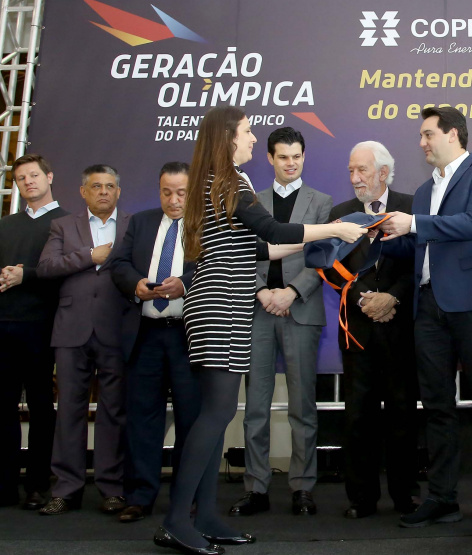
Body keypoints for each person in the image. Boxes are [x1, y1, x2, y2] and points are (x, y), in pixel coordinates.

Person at [154, 106, 365, 555]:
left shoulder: (214, 182)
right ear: (227, 137)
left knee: (219, 412)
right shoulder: (230, 181)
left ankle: (206, 516)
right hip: (219, 309)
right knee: (214, 416)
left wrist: (329, 238)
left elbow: (261, 246)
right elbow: (270, 228)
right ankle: (177, 520)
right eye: (248, 132)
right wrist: (333, 227)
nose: (252, 139)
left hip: (220, 306)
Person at [379, 106, 472, 527]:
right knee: (435, 404)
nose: (422, 143)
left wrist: (414, 223)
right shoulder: (421, 191)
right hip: (428, 306)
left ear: (453, 135)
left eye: (427, 134)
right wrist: (374, 234)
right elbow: (417, 244)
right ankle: (442, 498)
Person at [229, 127, 331, 518]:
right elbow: (240, 249)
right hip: (256, 311)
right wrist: (261, 291)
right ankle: (256, 488)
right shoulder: (250, 200)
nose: (291, 163)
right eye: (283, 156)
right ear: (269, 159)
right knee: (255, 406)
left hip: (300, 311)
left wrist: (292, 291)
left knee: (303, 406)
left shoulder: (321, 203)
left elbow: (323, 252)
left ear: (304, 157)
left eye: (297, 156)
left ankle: (303, 487)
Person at [326, 140, 419, 519]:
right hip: (358, 330)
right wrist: (367, 299)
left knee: (402, 415)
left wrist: (393, 297)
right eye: (351, 170)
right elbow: (330, 268)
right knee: (358, 416)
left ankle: (405, 495)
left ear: (382, 172)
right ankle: (361, 498)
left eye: (361, 170)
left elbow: (422, 265)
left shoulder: (412, 209)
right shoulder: (339, 215)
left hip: (401, 331)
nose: (354, 178)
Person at [36, 164, 133, 516]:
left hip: (116, 328)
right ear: (83, 192)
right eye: (96, 186)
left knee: (113, 411)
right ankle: (66, 488)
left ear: (118, 192)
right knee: (69, 411)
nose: (103, 191)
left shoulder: (131, 226)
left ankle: (111, 488)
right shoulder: (63, 226)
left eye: (109, 186)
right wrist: (89, 257)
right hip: (71, 329)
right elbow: (47, 267)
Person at [108, 162, 199, 523]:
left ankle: (188, 497)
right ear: (158, 190)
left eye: (181, 192)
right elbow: (117, 264)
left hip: (187, 335)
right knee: (142, 418)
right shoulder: (141, 222)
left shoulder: (205, 224)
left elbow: (213, 265)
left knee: (192, 420)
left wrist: (185, 283)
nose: (174, 200)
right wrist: (136, 284)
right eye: (167, 192)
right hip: (145, 335)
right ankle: (140, 496)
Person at [0, 154, 68, 510]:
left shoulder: (67, 223)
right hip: (4, 327)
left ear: (49, 176)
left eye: (34, 175)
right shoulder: (6, 225)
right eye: (21, 177)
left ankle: (38, 485)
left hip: (44, 327)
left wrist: (25, 273)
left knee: (42, 408)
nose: (28, 182)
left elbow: (67, 271)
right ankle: (5, 484)